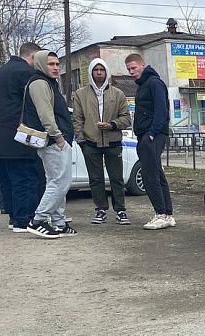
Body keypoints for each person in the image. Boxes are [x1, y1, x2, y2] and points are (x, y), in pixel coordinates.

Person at [0, 42, 43, 233]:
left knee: (6, 179)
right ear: (33, 57)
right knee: (25, 177)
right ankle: (23, 219)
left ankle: (13, 217)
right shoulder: (26, 73)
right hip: (16, 135)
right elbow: (33, 104)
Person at [73, 58, 133, 225]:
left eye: (102, 70)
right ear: (91, 72)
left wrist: (112, 125)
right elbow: (77, 119)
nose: (99, 73)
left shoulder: (118, 93)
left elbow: (126, 118)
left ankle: (121, 210)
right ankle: (100, 209)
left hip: (113, 142)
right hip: (90, 143)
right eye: (96, 70)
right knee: (95, 179)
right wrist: (81, 141)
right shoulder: (80, 94)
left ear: (107, 72)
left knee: (117, 178)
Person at [23, 50, 76, 239]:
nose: (55, 68)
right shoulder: (39, 83)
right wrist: (59, 137)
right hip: (54, 141)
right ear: (40, 64)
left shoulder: (48, 82)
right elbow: (45, 114)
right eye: (50, 64)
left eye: (57, 64)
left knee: (58, 182)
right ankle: (38, 220)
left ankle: (59, 222)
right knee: (59, 182)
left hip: (57, 140)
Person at [125, 53, 175, 230]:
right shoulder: (143, 85)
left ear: (142, 65)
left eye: (134, 67)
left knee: (150, 175)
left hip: (152, 135)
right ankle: (167, 214)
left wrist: (152, 133)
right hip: (146, 135)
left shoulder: (154, 83)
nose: (131, 72)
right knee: (157, 174)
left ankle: (161, 213)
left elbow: (162, 111)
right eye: (129, 69)